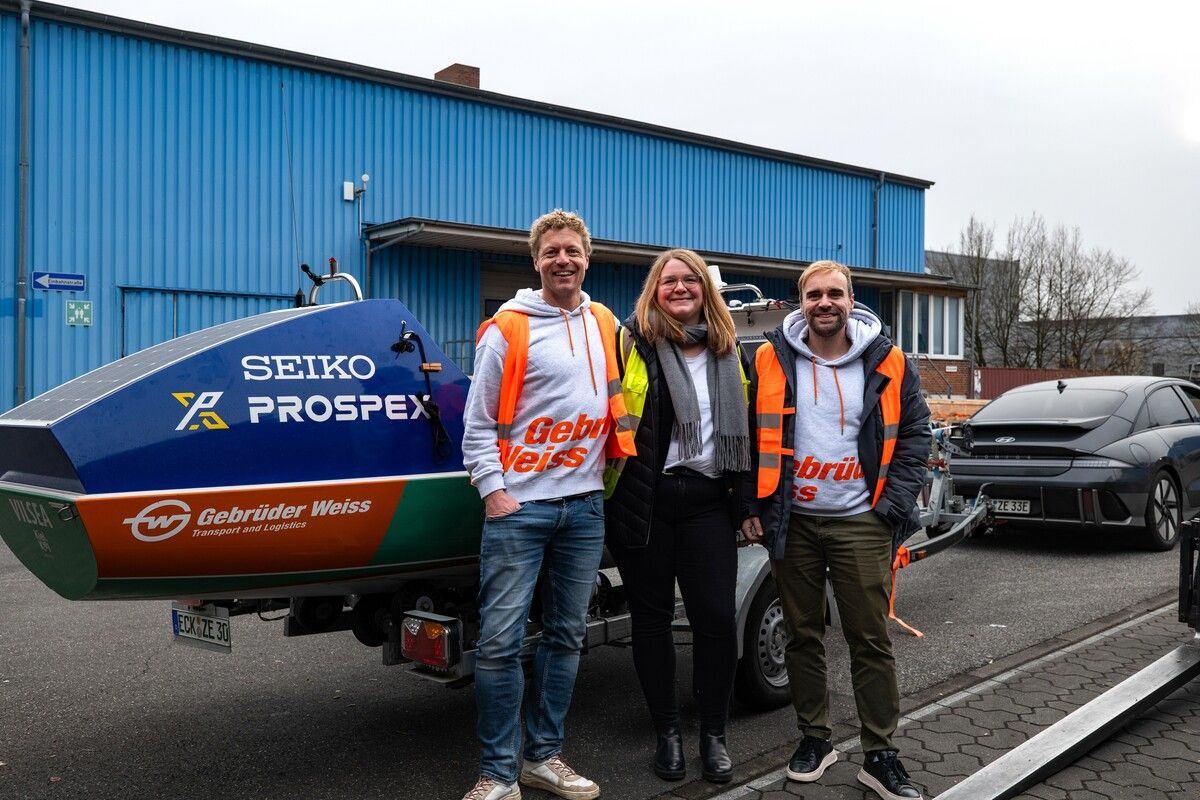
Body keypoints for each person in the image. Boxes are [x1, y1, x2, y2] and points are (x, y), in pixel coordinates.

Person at [459, 209, 636, 800]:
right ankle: (497, 773)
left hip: (584, 506)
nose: (564, 260)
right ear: (535, 261)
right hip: (521, 510)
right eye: (552, 251)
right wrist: (495, 493)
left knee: (566, 637)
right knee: (499, 644)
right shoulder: (507, 329)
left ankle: (543, 758)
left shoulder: (606, 321)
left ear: (588, 258)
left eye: (573, 251)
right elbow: (478, 422)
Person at [741, 260, 930, 800]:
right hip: (793, 521)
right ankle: (815, 739)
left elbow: (915, 433)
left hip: (862, 521)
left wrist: (891, 507)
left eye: (834, 294)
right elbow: (749, 436)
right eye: (814, 295)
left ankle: (880, 754)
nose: (824, 303)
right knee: (802, 636)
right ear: (800, 302)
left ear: (851, 300)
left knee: (869, 639)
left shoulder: (888, 359)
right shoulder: (770, 358)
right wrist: (753, 506)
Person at [604, 249, 750, 784]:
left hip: (709, 500)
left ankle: (713, 733)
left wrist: (747, 505)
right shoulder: (631, 343)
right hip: (645, 498)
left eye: (691, 279)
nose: (681, 288)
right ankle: (667, 733)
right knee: (651, 621)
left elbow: (749, 433)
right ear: (655, 289)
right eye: (669, 280)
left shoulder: (730, 350)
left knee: (715, 618)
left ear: (706, 289)